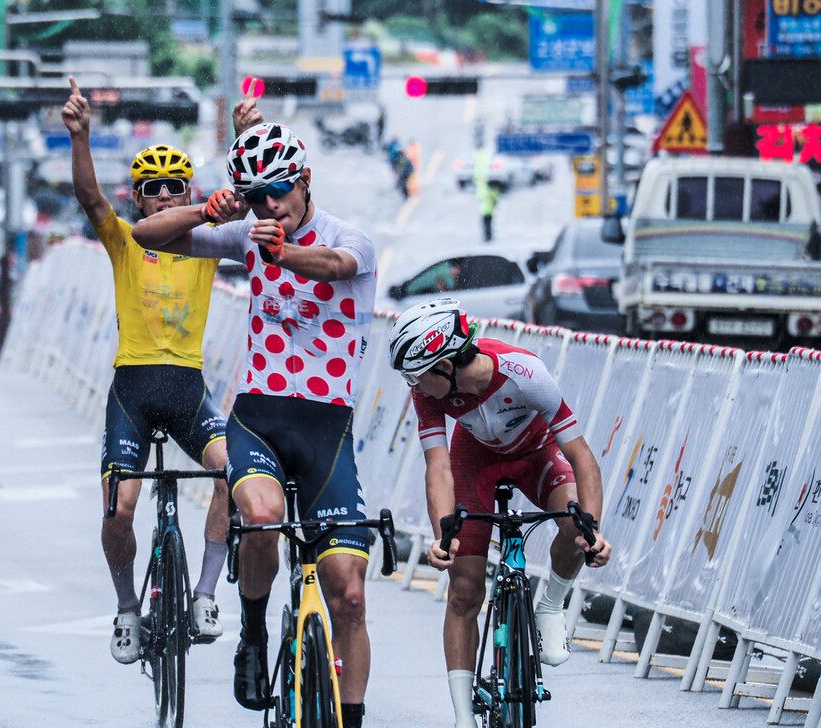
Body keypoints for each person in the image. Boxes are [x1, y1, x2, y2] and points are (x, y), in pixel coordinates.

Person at [131, 120, 378, 728]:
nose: (272, 205)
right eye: (258, 195)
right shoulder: (247, 232)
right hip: (259, 419)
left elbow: (332, 265)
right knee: (262, 518)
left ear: (306, 180)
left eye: (281, 190)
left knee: (349, 594)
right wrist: (205, 210)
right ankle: (253, 635)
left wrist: (281, 253)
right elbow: (145, 234)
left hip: (328, 430)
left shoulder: (350, 238)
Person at [61, 76, 261, 665]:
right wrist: (80, 137)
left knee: (237, 476)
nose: (167, 198)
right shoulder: (126, 241)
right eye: (154, 191)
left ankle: (202, 595)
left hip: (188, 392)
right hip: (133, 391)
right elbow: (89, 197)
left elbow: (246, 200)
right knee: (118, 509)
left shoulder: (205, 243)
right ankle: (127, 608)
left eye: (177, 188)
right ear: (139, 200)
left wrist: (246, 137)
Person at [386, 298, 612, 728]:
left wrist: (593, 530)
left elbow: (582, 457)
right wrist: (442, 535)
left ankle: (550, 605)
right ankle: (463, 716)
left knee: (574, 524)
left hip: (536, 452)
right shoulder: (428, 393)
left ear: (446, 366)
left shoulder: (523, 372)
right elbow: (437, 467)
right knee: (465, 590)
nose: (411, 385)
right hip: (474, 462)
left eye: (414, 375)